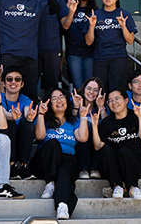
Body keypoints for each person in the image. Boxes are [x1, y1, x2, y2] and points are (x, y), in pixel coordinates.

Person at [31, 88, 89, 220]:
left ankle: (62, 206)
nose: (59, 100)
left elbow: (82, 138)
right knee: (53, 143)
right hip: (44, 162)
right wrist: (40, 114)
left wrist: (83, 117)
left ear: (67, 101)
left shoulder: (73, 121)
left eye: (61, 97)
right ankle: (50, 182)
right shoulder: (44, 119)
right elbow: (40, 136)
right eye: (54, 98)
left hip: (67, 159)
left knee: (64, 171)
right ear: (49, 103)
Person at [91, 89, 141, 200]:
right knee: (106, 150)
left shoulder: (135, 116)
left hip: (133, 164)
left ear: (126, 100)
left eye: (117, 99)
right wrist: (94, 126)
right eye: (110, 101)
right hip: (114, 167)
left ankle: (133, 187)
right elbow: (98, 146)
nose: (114, 102)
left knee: (124, 151)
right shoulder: (106, 122)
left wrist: (140, 117)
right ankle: (117, 186)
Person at [85, 0, 137, 92]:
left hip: (118, 57)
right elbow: (88, 42)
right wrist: (91, 26)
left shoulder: (124, 14)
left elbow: (130, 40)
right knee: (100, 90)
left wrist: (123, 26)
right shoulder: (95, 15)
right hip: (100, 58)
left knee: (117, 89)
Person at [0, 67, 36, 180]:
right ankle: (11, 165)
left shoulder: (25, 99)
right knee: (9, 123)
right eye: (9, 79)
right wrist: (12, 116)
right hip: (2, 138)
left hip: (20, 139)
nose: (13, 82)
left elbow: (26, 110)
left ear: (22, 84)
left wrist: (29, 116)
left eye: (17, 79)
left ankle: (23, 166)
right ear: (4, 83)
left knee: (27, 123)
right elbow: (1, 112)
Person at [32, 0, 71, 92]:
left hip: (52, 48)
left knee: (52, 87)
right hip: (31, 49)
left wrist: (72, 11)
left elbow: (65, 25)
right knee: (32, 87)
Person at [65, 0, 97, 89]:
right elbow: (65, 25)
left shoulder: (95, 11)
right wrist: (70, 8)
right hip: (73, 52)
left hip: (90, 52)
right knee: (78, 86)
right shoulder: (71, 7)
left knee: (89, 85)